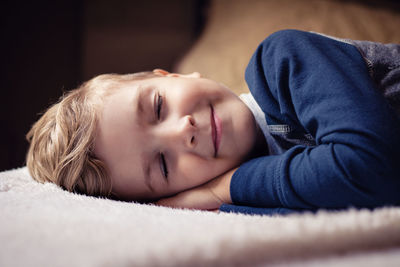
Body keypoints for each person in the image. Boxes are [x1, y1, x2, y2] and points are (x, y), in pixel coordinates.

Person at [26, 30, 400, 215]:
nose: (183, 131)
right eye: (162, 163)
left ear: (174, 76)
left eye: (158, 107)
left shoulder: (282, 61)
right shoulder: (249, 204)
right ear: (168, 197)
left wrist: (223, 190)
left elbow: (365, 168)